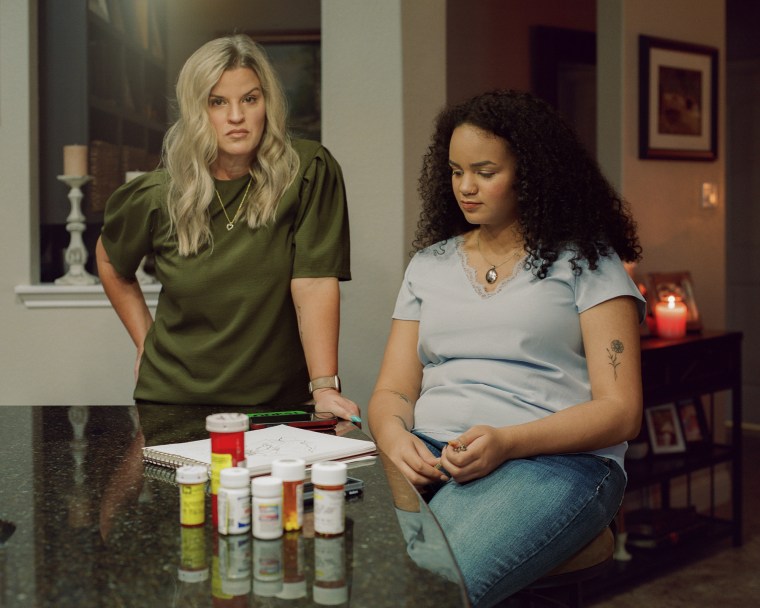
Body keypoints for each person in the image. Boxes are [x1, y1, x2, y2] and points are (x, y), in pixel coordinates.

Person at [368, 89, 646, 607]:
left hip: (557, 461)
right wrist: (393, 436)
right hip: (430, 450)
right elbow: (393, 388)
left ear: (531, 173)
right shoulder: (429, 264)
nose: (465, 187)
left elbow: (622, 411)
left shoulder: (587, 262)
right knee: (339, 562)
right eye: (454, 172)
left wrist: (509, 442)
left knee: (427, 588)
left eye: (485, 171)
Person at [96, 34, 359, 423]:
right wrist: (145, 341)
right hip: (174, 402)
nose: (236, 116)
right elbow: (110, 259)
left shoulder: (307, 173)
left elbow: (315, 283)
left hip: (278, 403)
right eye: (218, 102)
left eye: (249, 99)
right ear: (196, 110)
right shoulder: (158, 195)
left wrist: (323, 387)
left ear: (267, 102)